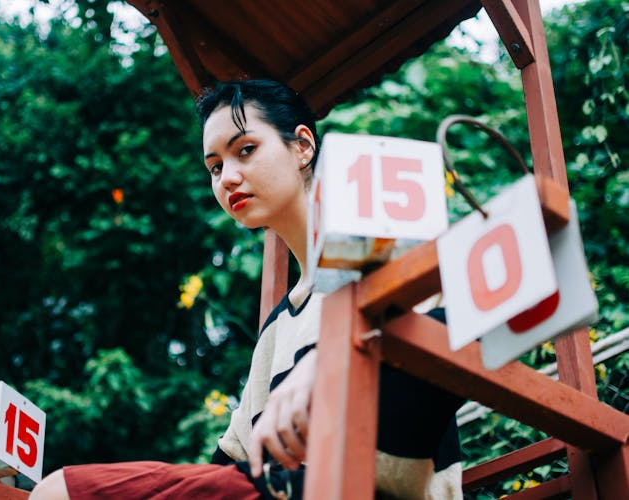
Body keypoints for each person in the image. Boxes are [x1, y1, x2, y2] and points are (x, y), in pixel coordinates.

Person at [30, 79, 464, 500]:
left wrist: (332, 359)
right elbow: (228, 466)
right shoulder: (277, 333)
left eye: (246, 150)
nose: (227, 178)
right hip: (281, 488)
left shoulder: (389, 250)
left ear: (303, 147)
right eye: (215, 166)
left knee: (63, 491)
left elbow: (458, 335)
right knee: (60, 490)